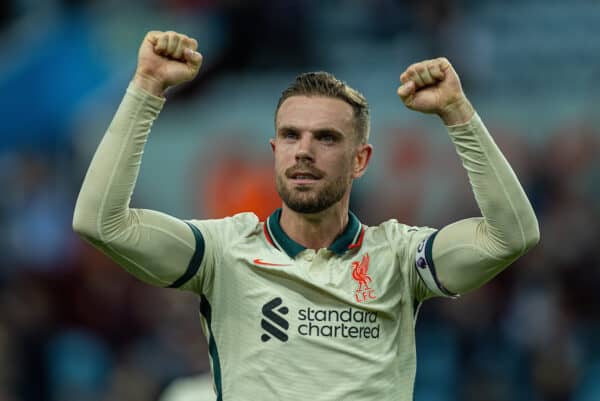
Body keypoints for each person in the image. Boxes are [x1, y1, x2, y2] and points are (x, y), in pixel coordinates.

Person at [73, 30, 539, 401]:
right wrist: (146, 89)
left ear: (361, 159)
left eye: (327, 138)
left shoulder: (397, 256)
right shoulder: (223, 251)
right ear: (274, 151)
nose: (304, 152)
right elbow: (101, 222)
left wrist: (459, 115)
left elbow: (511, 235)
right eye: (291, 136)